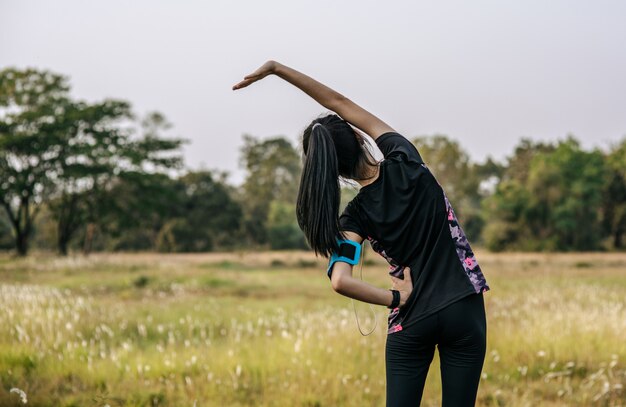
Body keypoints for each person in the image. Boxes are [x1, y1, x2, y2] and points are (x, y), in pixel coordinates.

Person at [233, 60, 490, 407]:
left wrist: (396, 299)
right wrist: (279, 70)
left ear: (331, 170)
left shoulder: (354, 217)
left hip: (412, 319)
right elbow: (338, 102)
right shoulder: (405, 158)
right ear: (358, 136)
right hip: (463, 306)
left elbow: (340, 280)